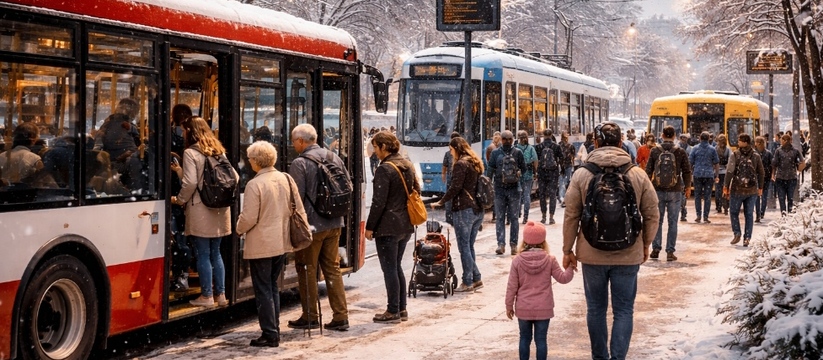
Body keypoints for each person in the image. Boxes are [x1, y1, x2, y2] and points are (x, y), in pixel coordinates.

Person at [563, 122, 659, 360]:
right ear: (620, 143)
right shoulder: (637, 174)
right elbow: (652, 212)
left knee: (595, 309)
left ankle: (600, 357)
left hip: (591, 253)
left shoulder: (582, 174)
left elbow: (571, 214)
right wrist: (645, 243)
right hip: (628, 252)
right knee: (624, 310)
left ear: (595, 143)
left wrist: (568, 249)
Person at [237, 141, 301, 347]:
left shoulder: (255, 185)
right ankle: (274, 328)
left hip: (262, 244)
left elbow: (248, 218)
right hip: (281, 242)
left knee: (263, 289)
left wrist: (238, 229)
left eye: (250, 159)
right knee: (272, 286)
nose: (249, 162)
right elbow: (297, 208)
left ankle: (270, 333)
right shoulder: (286, 178)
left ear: (256, 161)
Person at [287, 124, 350, 331]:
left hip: (311, 226)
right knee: (332, 269)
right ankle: (341, 316)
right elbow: (347, 186)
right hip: (334, 222)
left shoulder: (299, 163)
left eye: (294, 141)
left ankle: (311, 316)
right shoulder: (334, 157)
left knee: (307, 270)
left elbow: (295, 198)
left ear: (301, 141)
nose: (293, 144)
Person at [171, 117, 237, 307]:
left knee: (202, 254)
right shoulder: (218, 150)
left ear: (190, 132)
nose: (182, 133)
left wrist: (180, 199)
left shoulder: (191, 152)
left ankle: (207, 296)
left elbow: (191, 182)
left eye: (184, 130)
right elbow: (235, 177)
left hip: (201, 209)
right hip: (220, 209)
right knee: (215, 253)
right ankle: (221, 295)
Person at [365, 131, 418, 323]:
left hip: (388, 226)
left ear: (384, 147)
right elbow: (415, 191)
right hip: (404, 225)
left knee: (389, 269)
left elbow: (378, 202)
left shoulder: (385, 169)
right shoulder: (407, 165)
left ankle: (392, 310)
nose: (375, 152)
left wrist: (370, 227)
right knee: (396, 267)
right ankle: (401, 308)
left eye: (376, 147)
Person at [506, 221, 574, 360]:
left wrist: (509, 306)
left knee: (524, 338)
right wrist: (571, 267)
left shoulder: (517, 261)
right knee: (541, 340)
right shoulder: (549, 260)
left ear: (524, 240)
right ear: (543, 241)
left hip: (524, 308)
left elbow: (511, 287)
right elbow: (563, 278)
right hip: (544, 308)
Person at [430, 137, 484, 293]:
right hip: (477, 210)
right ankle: (476, 278)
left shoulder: (461, 164)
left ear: (456, 149)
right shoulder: (474, 162)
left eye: (451, 150)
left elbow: (455, 188)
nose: (451, 153)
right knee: (469, 246)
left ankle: (467, 282)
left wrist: (441, 201)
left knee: (464, 248)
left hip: (464, 210)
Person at [645, 125, 691, 261]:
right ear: (675, 136)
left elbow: (648, 171)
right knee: (673, 222)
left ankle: (656, 249)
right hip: (675, 190)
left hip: (657, 190)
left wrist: (646, 188)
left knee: (657, 221)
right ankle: (670, 251)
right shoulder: (680, 151)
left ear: (662, 135)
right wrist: (687, 187)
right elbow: (687, 171)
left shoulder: (655, 151)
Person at [488, 130, 527, 255]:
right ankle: (510, 245)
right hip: (512, 189)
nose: (507, 141)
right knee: (512, 217)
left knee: (502, 217)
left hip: (504, 189)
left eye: (508, 139)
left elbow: (490, 171)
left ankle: (504, 244)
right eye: (506, 139)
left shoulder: (495, 153)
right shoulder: (517, 152)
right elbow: (525, 169)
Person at [724, 133, 765, 247]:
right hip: (752, 190)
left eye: (739, 140)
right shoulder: (756, 155)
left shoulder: (735, 155)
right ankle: (747, 238)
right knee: (749, 214)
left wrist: (726, 185)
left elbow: (730, 171)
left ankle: (737, 233)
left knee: (733, 212)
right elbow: (761, 172)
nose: (738, 142)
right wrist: (760, 187)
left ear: (745, 142)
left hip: (737, 189)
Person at [169, 104, 192, 292]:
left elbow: (188, 180)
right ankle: (183, 274)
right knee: (181, 238)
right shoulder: (193, 148)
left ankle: (181, 274)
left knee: (178, 238)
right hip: (183, 197)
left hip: (177, 195)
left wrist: (179, 199)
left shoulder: (170, 136)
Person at [688, 131, 719, 224]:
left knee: (697, 195)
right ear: (709, 138)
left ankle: (698, 215)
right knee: (707, 196)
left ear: (700, 138)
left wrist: (689, 174)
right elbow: (716, 163)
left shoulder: (695, 149)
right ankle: (705, 216)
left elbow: (690, 162)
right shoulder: (712, 149)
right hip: (709, 175)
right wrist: (716, 175)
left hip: (697, 174)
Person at [771, 133, 803, 217]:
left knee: (784, 198)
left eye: (781, 140)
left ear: (785, 141)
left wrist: (773, 174)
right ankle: (787, 215)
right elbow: (801, 162)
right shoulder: (795, 151)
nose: (780, 142)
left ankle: (785, 215)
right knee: (789, 198)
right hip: (790, 177)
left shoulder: (779, 151)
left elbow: (774, 164)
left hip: (783, 177)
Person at [535, 129, 562, 224]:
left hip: (542, 173)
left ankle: (543, 216)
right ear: (551, 135)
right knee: (552, 195)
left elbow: (536, 160)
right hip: (553, 173)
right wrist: (561, 170)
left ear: (543, 135)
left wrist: (536, 172)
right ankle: (551, 217)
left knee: (542, 195)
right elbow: (561, 159)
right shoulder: (556, 146)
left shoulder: (538, 147)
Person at [515, 130, 538, 224]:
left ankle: (518, 212)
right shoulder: (530, 148)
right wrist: (535, 172)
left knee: (518, 194)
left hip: (517, 174)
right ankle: (526, 216)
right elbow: (536, 160)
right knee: (527, 195)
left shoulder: (515, 148)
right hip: (528, 174)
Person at [441, 131, 462, 225]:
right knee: (458, 196)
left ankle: (449, 217)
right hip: (457, 176)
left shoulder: (448, 153)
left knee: (449, 196)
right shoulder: (461, 152)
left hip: (451, 176)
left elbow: (444, 165)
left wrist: (443, 175)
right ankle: (456, 217)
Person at [753, 136, 773, 223]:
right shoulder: (768, 153)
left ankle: (758, 214)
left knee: (757, 195)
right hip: (765, 176)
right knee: (764, 195)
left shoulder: (754, 153)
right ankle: (761, 213)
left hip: (757, 176)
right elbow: (772, 165)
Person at [485, 131, 501, 222]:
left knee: (495, 195)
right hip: (500, 174)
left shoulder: (490, 148)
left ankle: (495, 215)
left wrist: (489, 178)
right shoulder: (500, 148)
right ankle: (500, 214)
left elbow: (488, 161)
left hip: (494, 174)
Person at [676, 133, 693, 222]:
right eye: (682, 138)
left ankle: (683, 211)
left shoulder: (689, 149)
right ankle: (681, 210)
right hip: (678, 174)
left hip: (682, 173)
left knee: (682, 194)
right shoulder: (677, 148)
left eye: (685, 138)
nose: (684, 140)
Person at [715, 134, 731, 214]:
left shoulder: (715, 149)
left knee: (718, 190)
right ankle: (726, 207)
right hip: (725, 172)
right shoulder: (728, 150)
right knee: (725, 189)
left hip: (717, 172)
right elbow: (730, 161)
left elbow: (713, 160)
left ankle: (718, 206)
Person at [558, 132, 575, 207]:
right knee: (567, 181)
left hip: (561, 166)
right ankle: (565, 197)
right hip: (568, 165)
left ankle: (561, 197)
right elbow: (572, 156)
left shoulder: (558, 145)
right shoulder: (570, 146)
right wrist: (573, 165)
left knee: (561, 182)